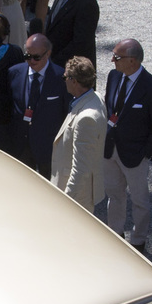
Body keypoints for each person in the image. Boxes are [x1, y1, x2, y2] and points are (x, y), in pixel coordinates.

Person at [99, 39, 152, 248]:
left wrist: (145, 153)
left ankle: (139, 241)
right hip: (111, 150)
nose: (112, 60)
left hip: (135, 156)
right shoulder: (114, 76)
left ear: (132, 61)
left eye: (117, 57)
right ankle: (115, 234)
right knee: (114, 196)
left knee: (140, 202)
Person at [3, 32, 68, 173]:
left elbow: (66, 114)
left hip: (48, 147)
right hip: (20, 145)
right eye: (27, 56)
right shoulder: (14, 73)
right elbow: (8, 108)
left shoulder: (61, 78)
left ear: (48, 54)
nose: (31, 61)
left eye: (36, 57)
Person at [50, 56, 106, 211]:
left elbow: (81, 169)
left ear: (73, 80)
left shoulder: (86, 118)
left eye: (65, 77)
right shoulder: (97, 98)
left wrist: (67, 201)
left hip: (77, 196)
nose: (64, 81)